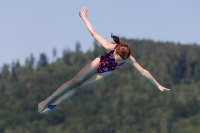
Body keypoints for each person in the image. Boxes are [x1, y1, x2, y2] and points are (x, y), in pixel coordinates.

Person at [38, 7, 170, 114]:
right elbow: (94, 34)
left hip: (105, 72)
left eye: (122, 60)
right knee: (74, 81)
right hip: (99, 62)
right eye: (118, 57)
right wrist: (85, 19)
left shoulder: (129, 59)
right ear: (116, 50)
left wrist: (157, 85)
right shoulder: (110, 47)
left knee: (79, 87)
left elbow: (143, 71)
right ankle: (46, 100)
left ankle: (51, 106)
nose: (119, 60)